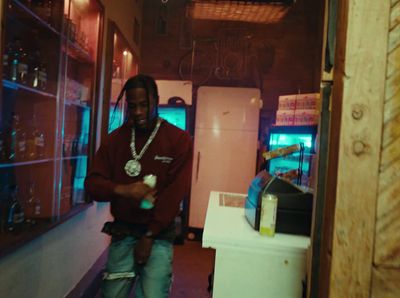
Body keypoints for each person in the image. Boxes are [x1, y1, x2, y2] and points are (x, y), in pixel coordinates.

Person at [84, 74, 193, 298]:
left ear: (156, 100)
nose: (138, 112)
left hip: (159, 235)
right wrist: (125, 190)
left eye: (144, 105)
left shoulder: (178, 140)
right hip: (123, 232)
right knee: (112, 294)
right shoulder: (115, 140)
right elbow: (92, 184)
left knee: (153, 294)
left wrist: (149, 235)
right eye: (132, 106)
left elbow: (174, 195)